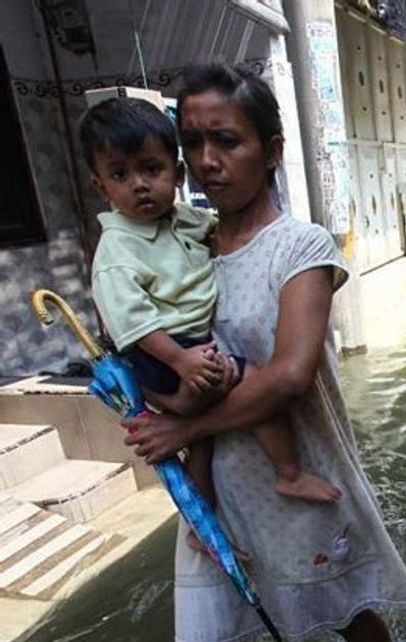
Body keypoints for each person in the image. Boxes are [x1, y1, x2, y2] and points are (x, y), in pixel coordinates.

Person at [121, 64, 406, 642]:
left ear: (272, 152)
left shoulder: (300, 246)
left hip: (293, 477)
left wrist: (183, 430)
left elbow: (291, 374)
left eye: (227, 141)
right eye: (194, 144)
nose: (207, 160)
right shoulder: (186, 245)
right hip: (211, 485)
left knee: (350, 620)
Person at [79, 97, 340, 506]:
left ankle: (202, 513)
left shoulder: (185, 222)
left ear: (176, 174)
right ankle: (288, 472)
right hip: (164, 351)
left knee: (202, 442)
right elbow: (133, 323)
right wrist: (181, 362)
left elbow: (217, 227)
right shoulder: (117, 252)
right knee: (255, 383)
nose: (139, 185)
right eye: (120, 174)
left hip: (185, 346)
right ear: (101, 186)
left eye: (151, 169)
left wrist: (184, 423)